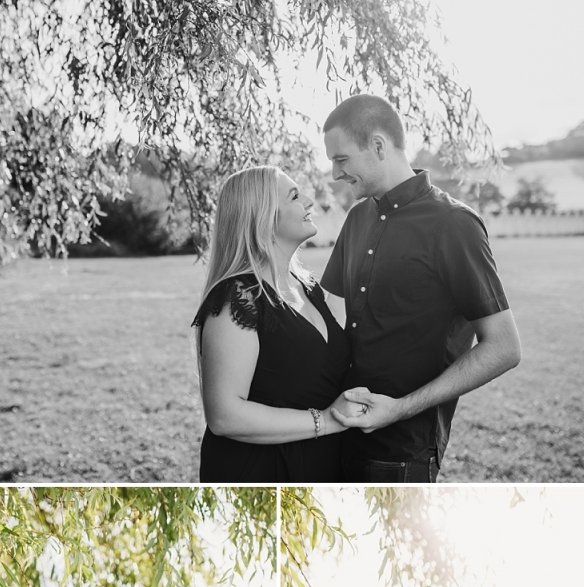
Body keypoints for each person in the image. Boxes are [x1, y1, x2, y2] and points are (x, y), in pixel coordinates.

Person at [318, 95, 521, 483]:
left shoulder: (454, 224)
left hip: (401, 454)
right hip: (336, 433)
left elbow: (504, 348)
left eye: (341, 159)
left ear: (378, 145)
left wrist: (397, 409)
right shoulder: (358, 216)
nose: (334, 174)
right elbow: (327, 313)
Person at [193, 165, 352, 482]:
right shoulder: (238, 296)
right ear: (263, 217)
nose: (309, 200)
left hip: (319, 467)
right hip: (260, 473)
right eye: (295, 195)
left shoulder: (308, 288)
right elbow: (224, 416)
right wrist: (327, 421)